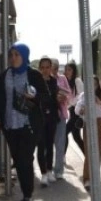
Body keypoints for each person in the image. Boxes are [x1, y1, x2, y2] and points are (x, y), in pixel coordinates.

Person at [0, 42, 41, 201]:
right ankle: (27, 195)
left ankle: (27, 197)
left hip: (29, 125)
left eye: (16, 55)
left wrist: (34, 96)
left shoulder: (34, 74)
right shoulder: (5, 75)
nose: (13, 58)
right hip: (10, 125)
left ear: (24, 56)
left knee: (25, 159)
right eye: (11, 55)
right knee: (18, 161)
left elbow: (46, 98)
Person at [75, 76, 101, 189]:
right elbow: (76, 110)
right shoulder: (83, 95)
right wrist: (82, 109)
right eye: (90, 84)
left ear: (98, 85)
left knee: (98, 151)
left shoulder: (100, 95)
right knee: (88, 151)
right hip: (88, 123)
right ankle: (87, 179)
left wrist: (100, 102)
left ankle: (95, 177)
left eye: (95, 84)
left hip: (98, 123)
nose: (93, 86)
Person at [36, 57, 59, 186]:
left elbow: (53, 99)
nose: (45, 70)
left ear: (51, 68)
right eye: (42, 68)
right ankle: (43, 173)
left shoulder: (54, 81)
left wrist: (58, 99)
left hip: (52, 117)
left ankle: (50, 170)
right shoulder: (36, 81)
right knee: (41, 145)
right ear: (40, 68)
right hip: (40, 118)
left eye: (47, 67)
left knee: (50, 145)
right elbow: (38, 98)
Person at [51, 58, 70, 180]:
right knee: (47, 144)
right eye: (53, 68)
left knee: (60, 143)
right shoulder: (43, 79)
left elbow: (69, 94)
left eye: (56, 68)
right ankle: (47, 169)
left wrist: (63, 96)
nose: (54, 70)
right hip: (47, 116)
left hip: (61, 115)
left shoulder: (62, 79)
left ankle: (58, 170)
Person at [64, 62, 85, 155]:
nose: (67, 72)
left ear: (74, 71)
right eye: (66, 69)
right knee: (76, 137)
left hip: (77, 112)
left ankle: (62, 157)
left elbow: (82, 96)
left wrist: (71, 102)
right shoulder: (68, 82)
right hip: (72, 111)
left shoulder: (77, 81)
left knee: (64, 133)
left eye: (69, 70)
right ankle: (88, 157)